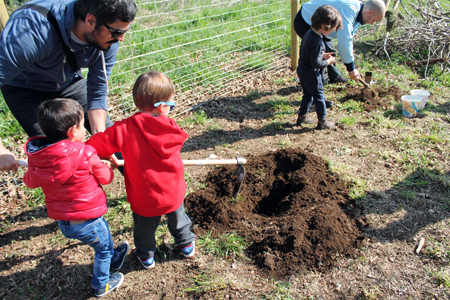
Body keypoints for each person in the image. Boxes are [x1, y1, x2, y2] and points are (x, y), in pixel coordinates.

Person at [0, 0, 138, 163]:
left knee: (114, 145)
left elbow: (97, 90)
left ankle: (145, 186)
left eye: (124, 31)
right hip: (25, 89)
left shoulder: (107, 40)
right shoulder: (33, 30)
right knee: (59, 157)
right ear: (90, 20)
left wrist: (101, 141)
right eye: (116, 32)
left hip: (68, 80)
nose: (121, 38)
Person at [86, 71, 196, 270]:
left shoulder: (123, 129)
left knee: (144, 229)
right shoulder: (171, 128)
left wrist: (88, 151)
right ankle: (186, 244)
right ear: (162, 107)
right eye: (171, 105)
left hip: (144, 196)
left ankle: (146, 256)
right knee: (179, 219)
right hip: (173, 192)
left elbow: (96, 145)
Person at [23, 98, 130, 297]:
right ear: (73, 130)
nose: (84, 130)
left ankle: (114, 257)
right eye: (82, 125)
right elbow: (106, 178)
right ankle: (102, 284)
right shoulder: (86, 153)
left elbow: (29, 181)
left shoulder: (39, 157)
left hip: (65, 222)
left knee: (103, 238)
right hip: (88, 219)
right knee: (102, 250)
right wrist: (107, 167)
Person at [294, 0, 386, 84]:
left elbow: (348, 39)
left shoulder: (358, 12)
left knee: (330, 52)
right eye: (374, 20)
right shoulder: (348, 10)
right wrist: (351, 68)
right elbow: (344, 42)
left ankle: (334, 76)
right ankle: (313, 84)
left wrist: (350, 66)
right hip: (306, 21)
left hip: (324, 25)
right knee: (320, 54)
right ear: (370, 13)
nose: (371, 23)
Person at [295, 5, 343, 130]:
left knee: (308, 95)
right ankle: (322, 121)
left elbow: (310, 54)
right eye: (332, 28)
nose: (332, 30)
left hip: (302, 70)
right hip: (311, 73)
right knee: (319, 97)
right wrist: (328, 62)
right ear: (323, 25)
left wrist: (322, 55)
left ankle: (302, 116)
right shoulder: (317, 40)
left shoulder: (309, 33)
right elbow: (315, 63)